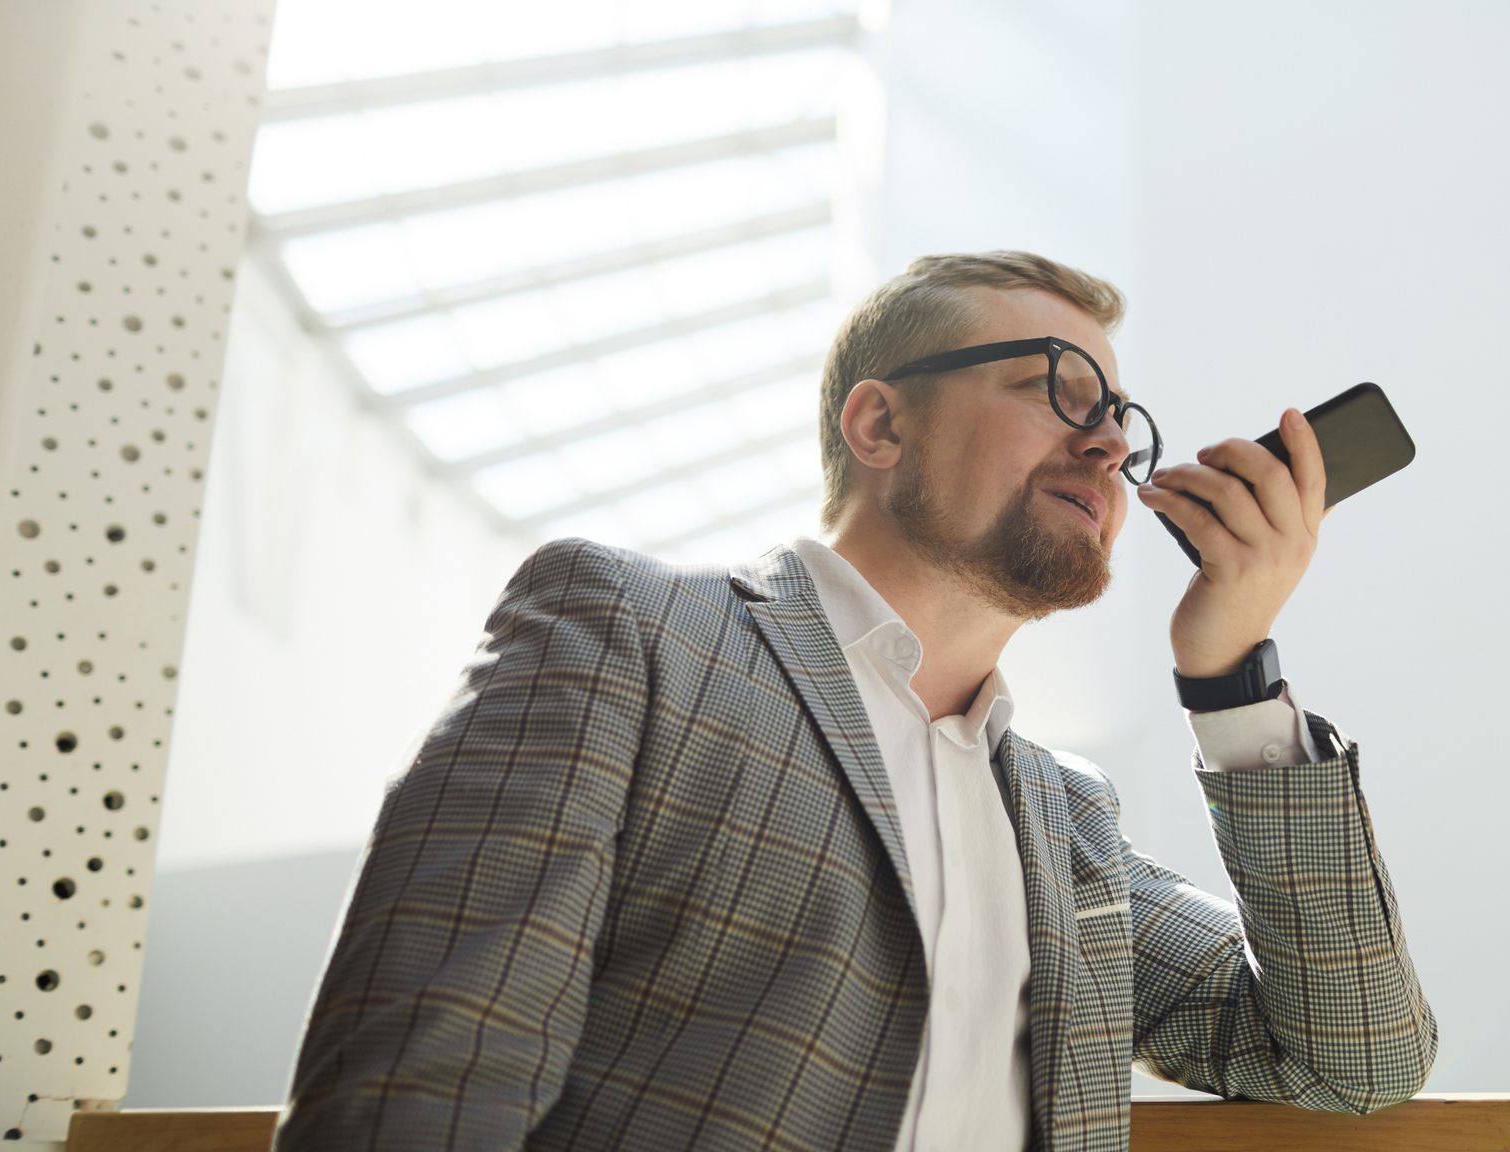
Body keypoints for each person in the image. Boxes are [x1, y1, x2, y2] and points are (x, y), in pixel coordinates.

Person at [278, 251, 1436, 1151]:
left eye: (1119, 422)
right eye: (1058, 389)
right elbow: (418, 1085)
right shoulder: (630, 637)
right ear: (880, 423)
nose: (1104, 445)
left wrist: (1230, 678)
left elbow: (1356, 1056)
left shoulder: (1066, 824)